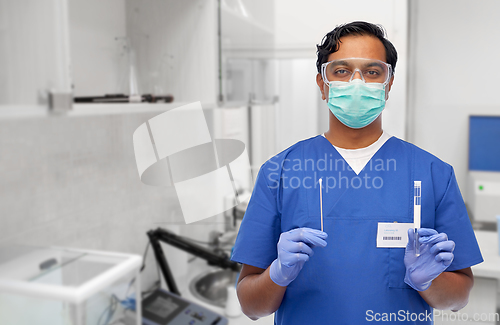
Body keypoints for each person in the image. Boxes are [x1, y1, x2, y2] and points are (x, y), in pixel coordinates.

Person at [230, 21, 483, 324]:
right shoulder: (280, 172)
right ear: (322, 84)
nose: (357, 83)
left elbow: (459, 299)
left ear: (388, 85)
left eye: (372, 72)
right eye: (341, 71)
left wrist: (429, 281)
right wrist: (278, 274)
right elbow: (251, 306)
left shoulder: (432, 174)